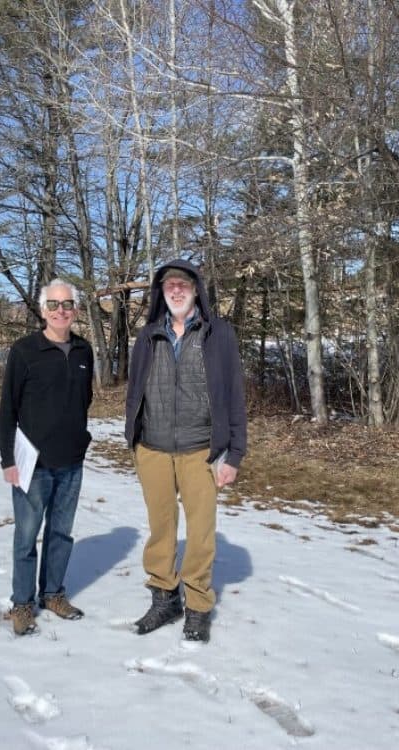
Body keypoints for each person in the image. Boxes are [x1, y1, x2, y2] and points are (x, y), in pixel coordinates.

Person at [124, 260, 247, 643]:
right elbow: (135, 390)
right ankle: (164, 598)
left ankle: (197, 606)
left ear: (196, 290)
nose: (176, 291)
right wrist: (134, 440)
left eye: (183, 285)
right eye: (169, 286)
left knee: (200, 534)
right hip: (153, 450)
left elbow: (234, 396)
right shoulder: (147, 336)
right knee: (161, 529)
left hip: (201, 452)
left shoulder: (218, 334)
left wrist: (235, 455)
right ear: (161, 294)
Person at [0, 279, 94, 636]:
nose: (61, 310)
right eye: (53, 304)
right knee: (26, 536)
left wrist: (79, 437)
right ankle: (22, 603)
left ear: (76, 310)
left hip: (71, 459)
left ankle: (52, 594)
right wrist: (8, 459)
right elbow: (8, 409)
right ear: (42, 310)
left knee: (61, 532)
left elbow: (85, 400)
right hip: (31, 462)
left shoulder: (84, 351)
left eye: (67, 304)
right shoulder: (24, 351)